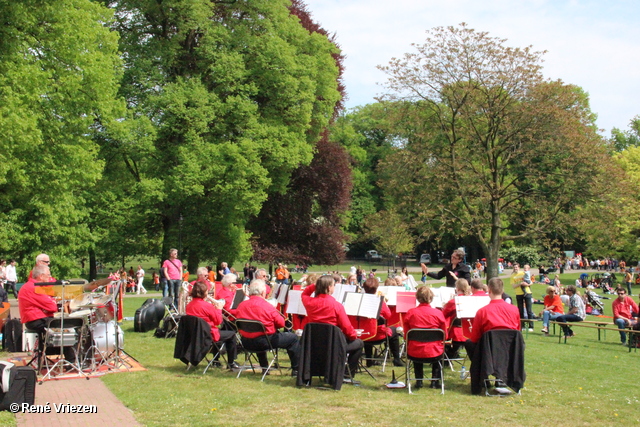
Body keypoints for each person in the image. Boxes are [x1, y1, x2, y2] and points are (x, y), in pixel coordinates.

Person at [301, 275, 364, 381]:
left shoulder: (309, 302)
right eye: (334, 286)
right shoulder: (337, 306)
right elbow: (347, 328)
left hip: (314, 345)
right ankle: (347, 375)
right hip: (333, 346)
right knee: (359, 343)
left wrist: (315, 285)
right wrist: (354, 335)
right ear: (329, 288)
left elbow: (304, 293)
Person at [235, 279, 300, 375]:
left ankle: (265, 368)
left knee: (257, 333)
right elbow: (281, 324)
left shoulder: (241, 305)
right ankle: (296, 369)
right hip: (264, 342)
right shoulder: (267, 306)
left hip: (246, 342)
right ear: (262, 292)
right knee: (293, 338)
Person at [18, 264, 74, 363]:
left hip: (36, 318)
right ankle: (72, 361)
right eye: (48, 275)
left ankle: (69, 359)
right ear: (41, 276)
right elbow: (52, 307)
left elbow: (49, 306)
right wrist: (51, 303)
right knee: (67, 328)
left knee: (64, 325)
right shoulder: (35, 287)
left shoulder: (30, 285)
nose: (50, 277)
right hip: (37, 320)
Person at [185, 281, 239, 370]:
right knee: (231, 334)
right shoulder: (206, 306)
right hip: (206, 334)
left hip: (194, 335)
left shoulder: (189, 305)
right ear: (204, 293)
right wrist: (218, 309)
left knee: (220, 334)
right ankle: (231, 362)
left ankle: (216, 360)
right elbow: (218, 321)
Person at [403, 286, 447, 389]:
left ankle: (419, 381)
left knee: (417, 348)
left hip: (415, 352)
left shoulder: (411, 313)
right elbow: (445, 335)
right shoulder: (438, 313)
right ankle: (435, 381)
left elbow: (406, 335)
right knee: (436, 351)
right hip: (434, 352)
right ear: (431, 298)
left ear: (417, 298)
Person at [465, 277, 520, 358]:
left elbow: (475, 338)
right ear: (502, 290)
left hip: (489, 353)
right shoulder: (515, 309)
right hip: (510, 350)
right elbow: (517, 331)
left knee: (469, 343)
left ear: (489, 290)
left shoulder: (482, 311)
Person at [359, 278, 403, 367]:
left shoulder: (360, 301)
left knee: (368, 327)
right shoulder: (379, 301)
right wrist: (384, 302)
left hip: (363, 334)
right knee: (394, 330)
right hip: (378, 335)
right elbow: (388, 315)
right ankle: (396, 359)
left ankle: (369, 360)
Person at [442, 278, 471, 358]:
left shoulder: (454, 301)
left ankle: (448, 355)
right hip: (469, 332)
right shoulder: (471, 300)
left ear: (457, 288)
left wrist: (444, 305)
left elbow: (443, 315)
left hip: (455, 333)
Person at [511, 263, 535, 332]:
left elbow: (531, 282)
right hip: (518, 293)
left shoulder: (523, 273)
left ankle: (531, 326)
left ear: (519, 267)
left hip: (527, 293)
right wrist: (520, 284)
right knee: (520, 310)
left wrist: (527, 284)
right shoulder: (513, 276)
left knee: (529, 310)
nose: (515, 268)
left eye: (516, 267)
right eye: (514, 267)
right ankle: (522, 326)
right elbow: (513, 286)